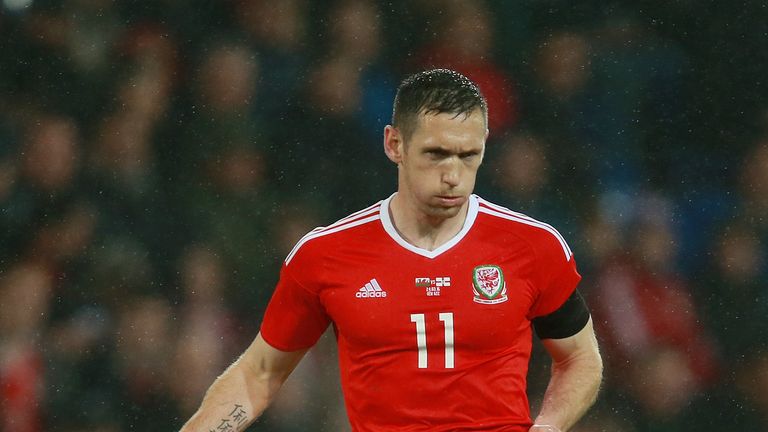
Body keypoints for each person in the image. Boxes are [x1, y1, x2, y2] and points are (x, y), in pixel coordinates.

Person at [179, 69, 602, 432]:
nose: (453, 175)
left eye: (468, 155)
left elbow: (580, 358)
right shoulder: (326, 254)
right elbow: (259, 374)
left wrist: (547, 427)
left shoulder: (533, 246)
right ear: (394, 144)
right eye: (435, 154)